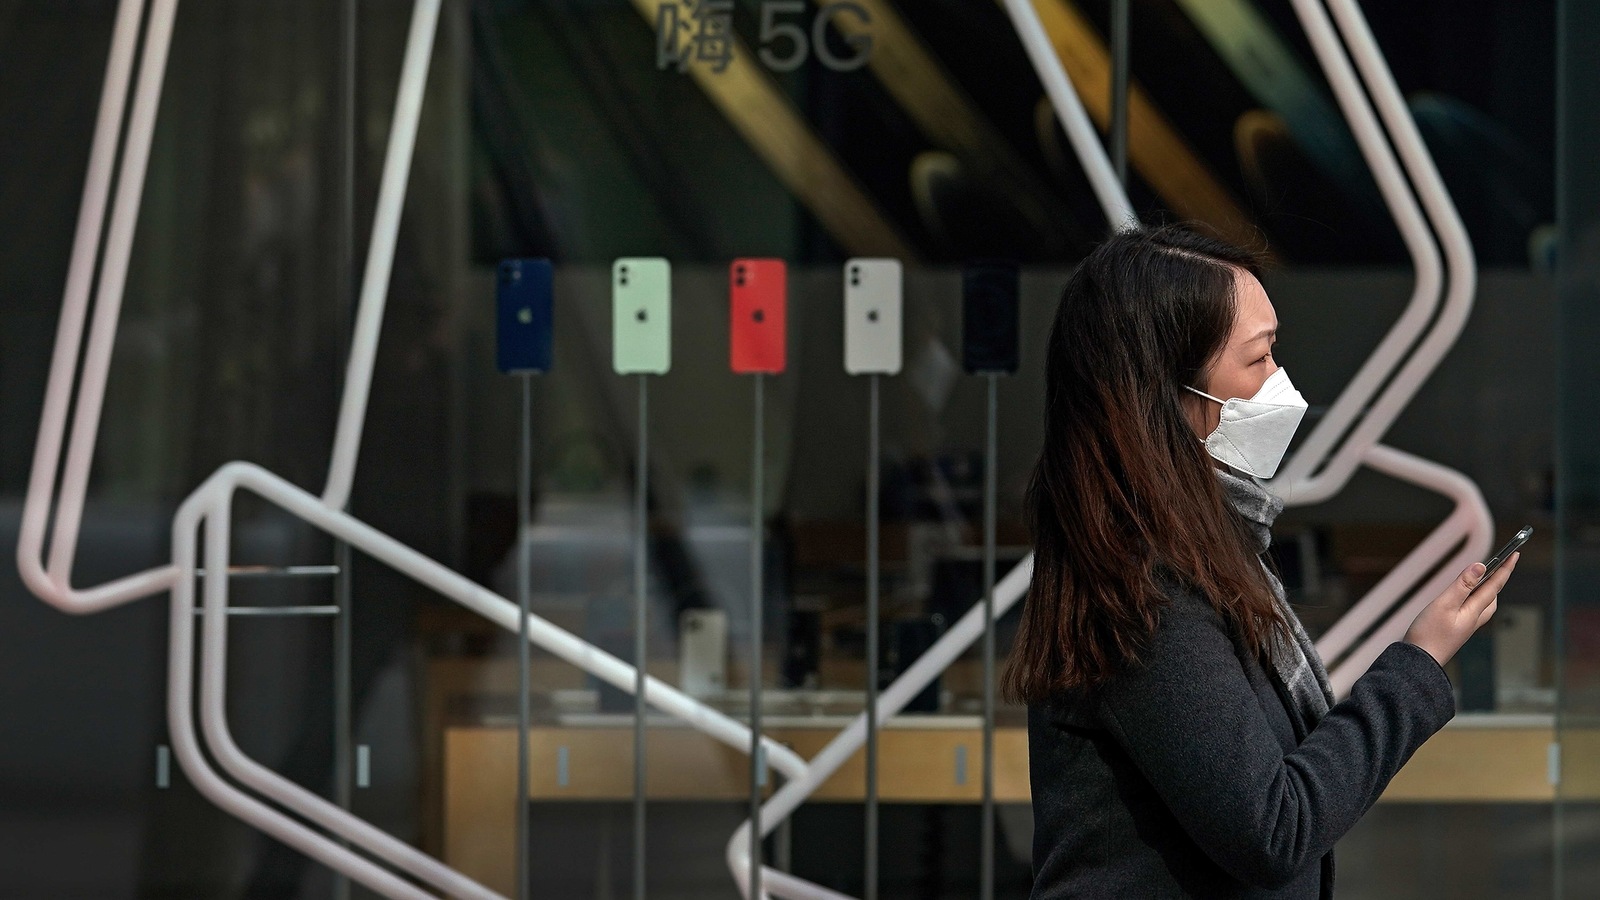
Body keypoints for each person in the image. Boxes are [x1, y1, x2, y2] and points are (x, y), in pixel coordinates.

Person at [1005, 224, 1518, 899]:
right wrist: (1416, 664)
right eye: (1259, 358)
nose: (1281, 384)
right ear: (1166, 391)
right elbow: (1274, 829)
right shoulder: (1144, 582)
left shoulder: (1202, 545)